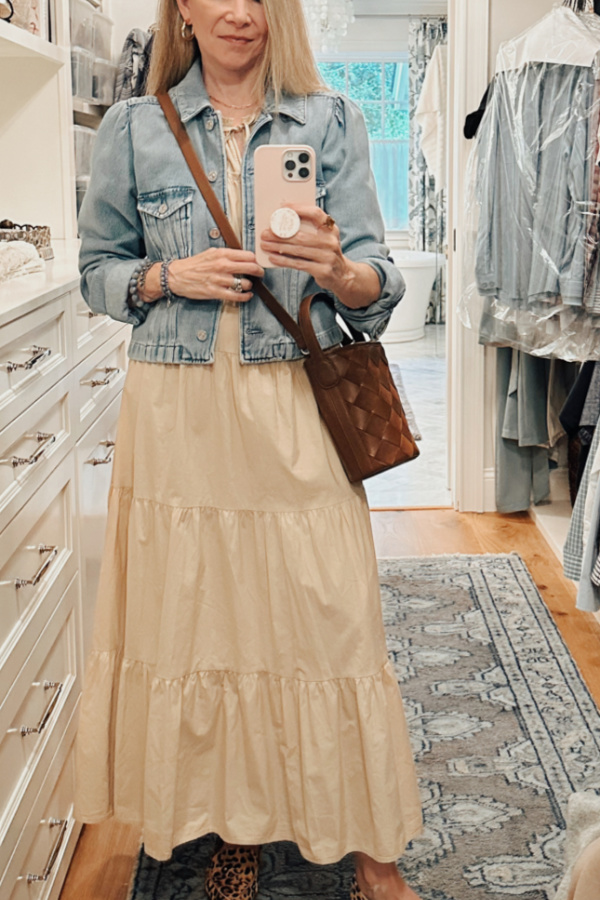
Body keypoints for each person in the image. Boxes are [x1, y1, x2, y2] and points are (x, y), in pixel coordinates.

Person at [73, 1, 423, 898]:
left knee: (329, 615)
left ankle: (370, 850)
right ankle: (224, 817)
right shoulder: (132, 126)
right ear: (182, 7)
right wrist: (167, 275)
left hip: (292, 399)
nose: (239, 12)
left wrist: (341, 272)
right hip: (181, 410)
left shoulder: (328, 120)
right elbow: (98, 271)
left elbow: (376, 280)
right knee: (197, 618)